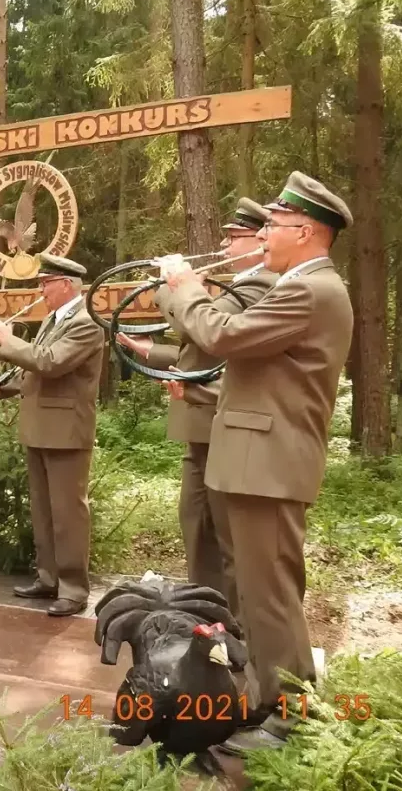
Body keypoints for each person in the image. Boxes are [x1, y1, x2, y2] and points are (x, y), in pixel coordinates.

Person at [155, 172, 354, 752]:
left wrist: (183, 287)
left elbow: (222, 335)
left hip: (268, 465)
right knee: (259, 590)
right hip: (257, 462)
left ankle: (290, 716)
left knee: (270, 595)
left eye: (276, 225)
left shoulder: (310, 290)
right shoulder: (302, 285)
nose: (264, 234)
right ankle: (269, 699)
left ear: (307, 231)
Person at [115, 198, 277, 618]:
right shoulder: (239, 286)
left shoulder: (260, 285)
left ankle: (234, 626)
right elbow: (199, 351)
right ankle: (207, 617)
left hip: (225, 423)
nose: (224, 246)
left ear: (259, 240)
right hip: (206, 423)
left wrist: (172, 290)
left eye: (234, 237)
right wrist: (152, 351)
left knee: (226, 539)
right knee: (198, 527)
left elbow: (205, 332)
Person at [0, 254, 104, 617]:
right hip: (40, 428)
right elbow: (36, 371)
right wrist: (4, 387)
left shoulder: (86, 323)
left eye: (45, 283)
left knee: (68, 514)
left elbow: (50, 362)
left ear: (66, 284)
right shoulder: (53, 319)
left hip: (66, 431)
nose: (41, 290)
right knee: (44, 511)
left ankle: (73, 589)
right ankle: (49, 578)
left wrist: (8, 340)